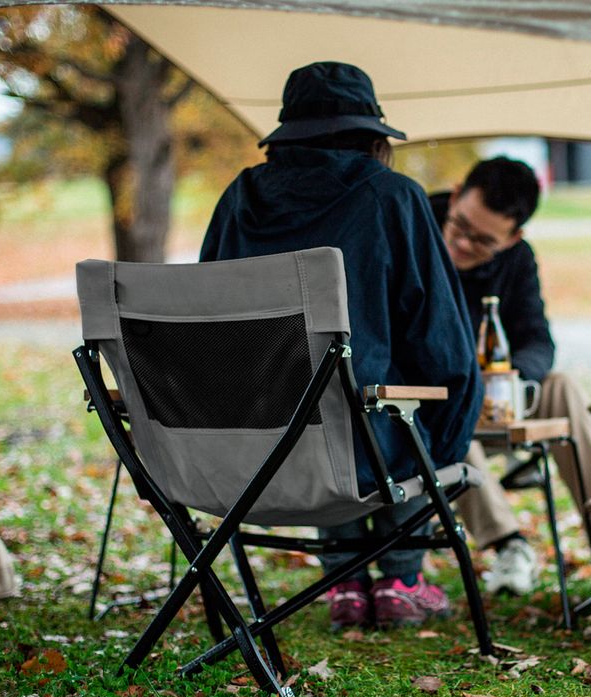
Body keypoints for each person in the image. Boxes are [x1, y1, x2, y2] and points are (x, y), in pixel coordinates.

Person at [200, 61, 482, 629]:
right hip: (357, 455)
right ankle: (401, 577)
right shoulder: (393, 198)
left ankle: (348, 584)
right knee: (386, 408)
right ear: (372, 136)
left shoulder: (237, 201)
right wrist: (452, 444)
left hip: (249, 453)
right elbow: (443, 346)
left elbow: (209, 328)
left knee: (318, 397)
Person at [429, 157, 591, 595]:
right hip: (433, 398)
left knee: (562, 387)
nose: (463, 242)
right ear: (454, 197)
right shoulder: (413, 226)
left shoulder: (518, 261)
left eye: (484, 241)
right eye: (460, 225)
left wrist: (513, 378)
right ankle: (509, 545)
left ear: (514, 238)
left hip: (494, 397)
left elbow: (538, 340)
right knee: (445, 413)